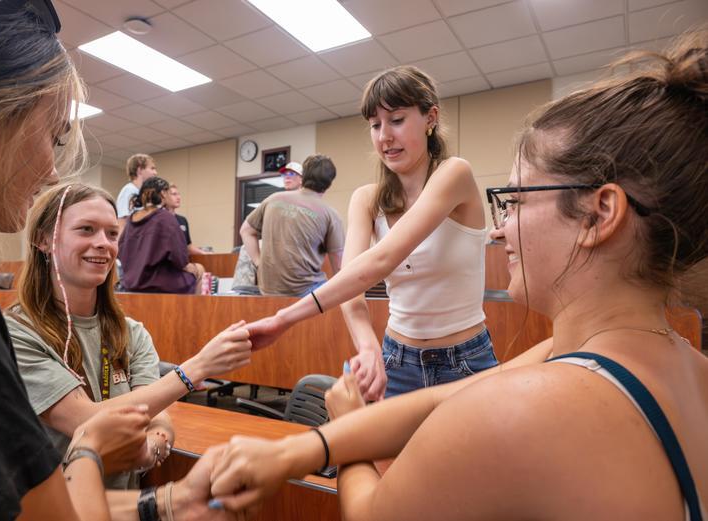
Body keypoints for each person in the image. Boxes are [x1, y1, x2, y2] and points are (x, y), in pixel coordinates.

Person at [208, 32, 708, 520]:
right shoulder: (649, 362)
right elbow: (442, 400)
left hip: (461, 353)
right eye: (374, 123)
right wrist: (306, 446)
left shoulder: (517, 405)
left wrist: (347, 424)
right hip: (401, 354)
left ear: (600, 213)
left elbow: (383, 502)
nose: (501, 227)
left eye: (513, 201)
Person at [0, 1, 148, 518]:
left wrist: (164, 499)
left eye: (111, 233)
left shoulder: (130, 331)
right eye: (53, 135)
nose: (49, 167)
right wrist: (89, 447)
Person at [242, 67, 497, 400]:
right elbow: (352, 284)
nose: (384, 137)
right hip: (398, 358)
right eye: (375, 125)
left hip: (465, 360)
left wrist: (283, 319)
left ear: (430, 117)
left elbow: (381, 259)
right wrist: (367, 346)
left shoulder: (454, 173)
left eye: (397, 120)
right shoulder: (365, 198)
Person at [6, 183, 252, 489]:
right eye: (86, 229)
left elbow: (158, 413)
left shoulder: (130, 332)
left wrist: (151, 448)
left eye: (111, 234)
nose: (103, 244)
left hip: (125, 505)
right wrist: (196, 368)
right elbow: (88, 422)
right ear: (44, 240)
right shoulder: (17, 333)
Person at [240, 154, 344, 297]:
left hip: (268, 291)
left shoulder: (273, 199)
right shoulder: (331, 215)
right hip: (305, 293)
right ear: (329, 183)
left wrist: (259, 263)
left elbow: (245, 230)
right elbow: (339, 267)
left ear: (303, 176)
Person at [119, 177, 204, 294]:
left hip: (130, 283)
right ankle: (192, 312)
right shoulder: (165, 218)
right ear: (163, 194)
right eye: (171, 193)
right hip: (158, 284)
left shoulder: (131, 220)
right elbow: (179, 257)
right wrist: (188, 266)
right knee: (199, 269)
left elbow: (121, 250)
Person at [116, 153, 157, 234]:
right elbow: (122, 224)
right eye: (152, 168)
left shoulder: (144, 194)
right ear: (140, 170)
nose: (155, 172)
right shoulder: (129, 191)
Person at [166, 183, 211, 256]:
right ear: (164, 197)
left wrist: (204, 253)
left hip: (182, 261)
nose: (178, 197)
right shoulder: (160, 219)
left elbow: (188, 247)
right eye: (174, 194)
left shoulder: (182, 220)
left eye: (178, 194)